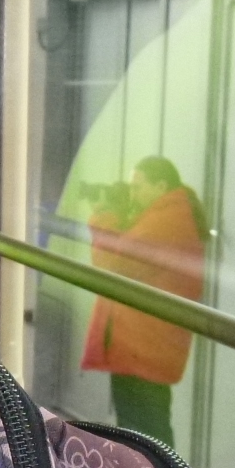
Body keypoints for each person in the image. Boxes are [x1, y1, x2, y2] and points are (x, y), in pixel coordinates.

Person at [79, 155, 207, 447]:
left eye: (139, 187)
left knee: (143, 428)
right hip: (147, 341)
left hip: (142, 344)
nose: (133, 193)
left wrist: (105, 218)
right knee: (146, 424)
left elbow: (113, 266)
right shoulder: (167, 215)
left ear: (160, 186)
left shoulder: (167, 220)